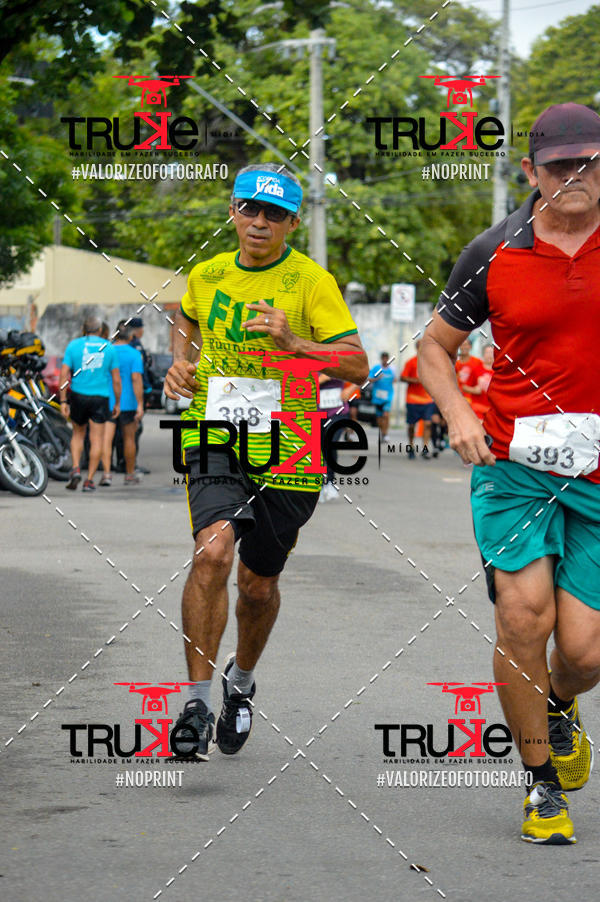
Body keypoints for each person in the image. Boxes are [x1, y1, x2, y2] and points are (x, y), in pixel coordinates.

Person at [419, 102, 600, 845]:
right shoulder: (492, 251)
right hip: (514, 466)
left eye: (591, 162)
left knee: (585, 650)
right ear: (531, 173)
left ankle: (558, 702)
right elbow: (435, 347)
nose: (578, 177)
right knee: (524, 619)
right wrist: (460, 414)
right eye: (562, 166)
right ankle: (540, 787)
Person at [163, 162, 368, 760]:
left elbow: (357, 364)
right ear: (232, 210)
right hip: (216, 432)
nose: (259, 222)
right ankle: (198, 701)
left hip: (288, 449)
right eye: (249, 209)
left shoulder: (311, 282)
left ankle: (241, 683)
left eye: (274, 213)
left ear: (293, 222)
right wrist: (182, 360)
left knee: (258, 584)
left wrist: (297, 343)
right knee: (213, 550)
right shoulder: (207, 274)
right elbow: (189, 317)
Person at [60, 315, 120, 492]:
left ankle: (76, 467)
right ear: (100, 330)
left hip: (78, 395)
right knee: (97, 440)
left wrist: (63, 400)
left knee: (78, 434)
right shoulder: (109, 348)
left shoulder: (74, 345)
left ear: (84, 329)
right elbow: (116, 380)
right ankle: (90, 480)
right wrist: (116, 403)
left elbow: (64, 374)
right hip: (100, 398)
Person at [100, 324, 144, 485]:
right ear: (131, 336)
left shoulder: (106, 352)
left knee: (107, 439)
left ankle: (106, 474)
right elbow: (136, 379)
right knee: (129, 439)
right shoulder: (135, 354)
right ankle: (130, 474)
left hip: (108, 401)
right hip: (128, 403)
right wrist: (140, 404)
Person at [318, 374, 355, 501]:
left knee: (331, 443)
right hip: (316, 412)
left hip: (337, 412)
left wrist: (350, 389)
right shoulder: (309, 356)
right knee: (319, 449)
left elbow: (361, 374)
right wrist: (320, 380)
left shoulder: (340, 356)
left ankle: (329, 481)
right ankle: (319, 485)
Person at [400, 340, 436, 459]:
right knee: (411, 426)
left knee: (427, 424)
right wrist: (416, 381)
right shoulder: (411, 362)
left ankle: (425, 449)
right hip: (413, 400)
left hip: (427, 400)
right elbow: (403, 377)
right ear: (417, 349)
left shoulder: (431, 363)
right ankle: (410, 447)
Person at [368, 352, 395, 441]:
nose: (385, 360)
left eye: (386, 358)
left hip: (388, 397)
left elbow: (395, 379)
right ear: (381, 359)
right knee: (379, 417)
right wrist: (377, 378)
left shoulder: (392, 369)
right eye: (383, 358)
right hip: (377, 397)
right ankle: (382, 432)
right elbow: (369, 379)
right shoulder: (376, 368)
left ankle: (385, 433)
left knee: (386, 415)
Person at [464, 343, 494, 421]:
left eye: (492, 353)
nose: (489, 355)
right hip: (478, 409)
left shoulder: (499, 372)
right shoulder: (476, 370)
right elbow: (464, 387)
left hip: (493, 411)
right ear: (483, 354)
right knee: (480, 431)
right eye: (487, 353)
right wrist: (474, 390)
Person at [455, 338, 483, 405]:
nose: (464, 347)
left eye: (466, 345)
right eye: (461, 345)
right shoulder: (455, 363)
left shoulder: (478, 362)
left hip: (472, 398)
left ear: (470, 347)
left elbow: (481, 379)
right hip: (457, 397)